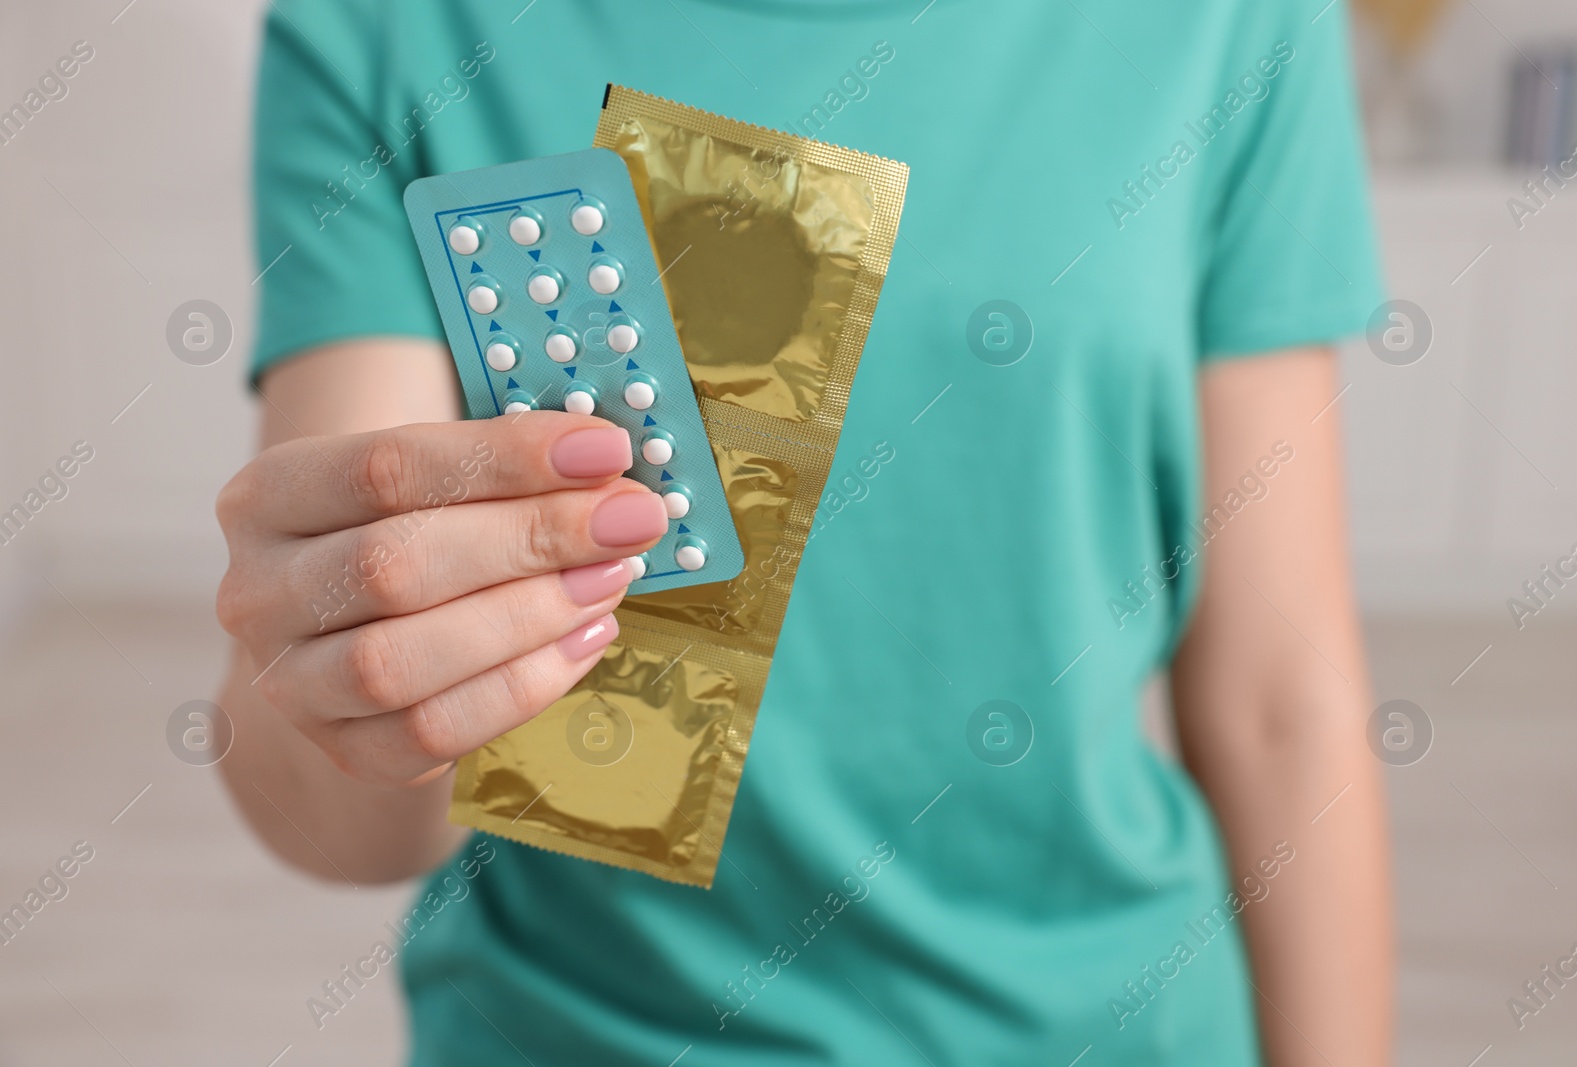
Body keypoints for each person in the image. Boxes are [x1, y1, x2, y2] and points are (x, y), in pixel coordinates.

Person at [213, 1, 1392, 1062]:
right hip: (587, 1027)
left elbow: (1279, 699)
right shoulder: (385, 23)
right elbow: (336, 804)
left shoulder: (1234, 22)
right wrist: (380, 679)